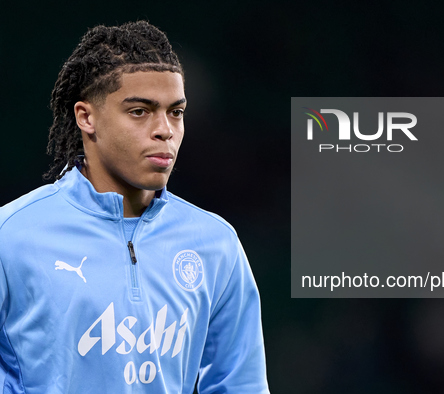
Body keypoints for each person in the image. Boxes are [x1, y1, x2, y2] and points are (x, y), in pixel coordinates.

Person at [0, 21, 269, 393]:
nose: (165, 130)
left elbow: (240, 384)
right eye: (140, 111)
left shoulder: (215, 244)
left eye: (176, 112)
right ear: (86, 117)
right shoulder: (12, 235)